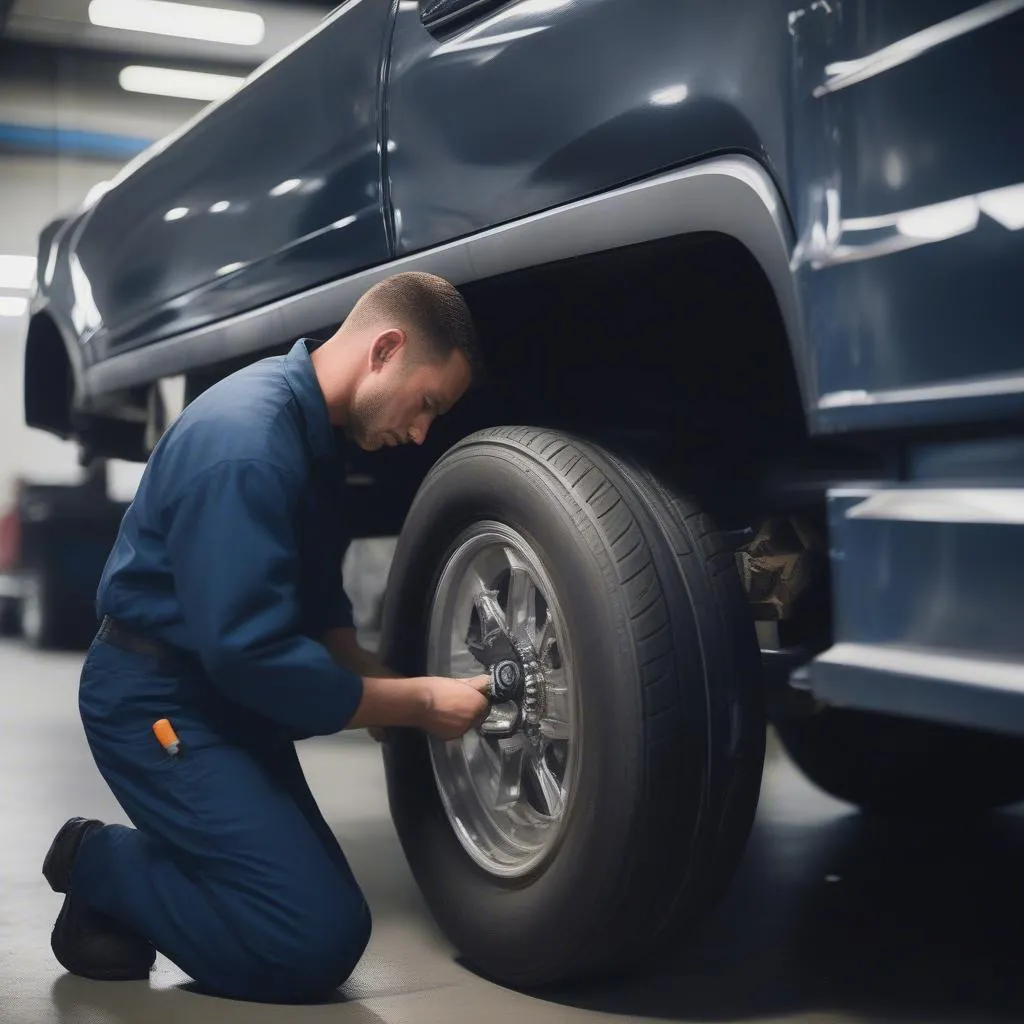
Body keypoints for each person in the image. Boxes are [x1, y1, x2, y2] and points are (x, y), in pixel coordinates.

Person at [41, 272, 492, 1003]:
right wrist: (412, 703)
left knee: (336, 914)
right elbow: (249, 656)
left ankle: (159, 874)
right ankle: (100, 862)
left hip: (219, 702)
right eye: (427, 404)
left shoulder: (311, 433)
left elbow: (314, 599)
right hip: (155, 700)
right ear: (386, 348)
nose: (419, 432)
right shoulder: (247, 445)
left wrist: (366, 671)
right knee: (308, 946)